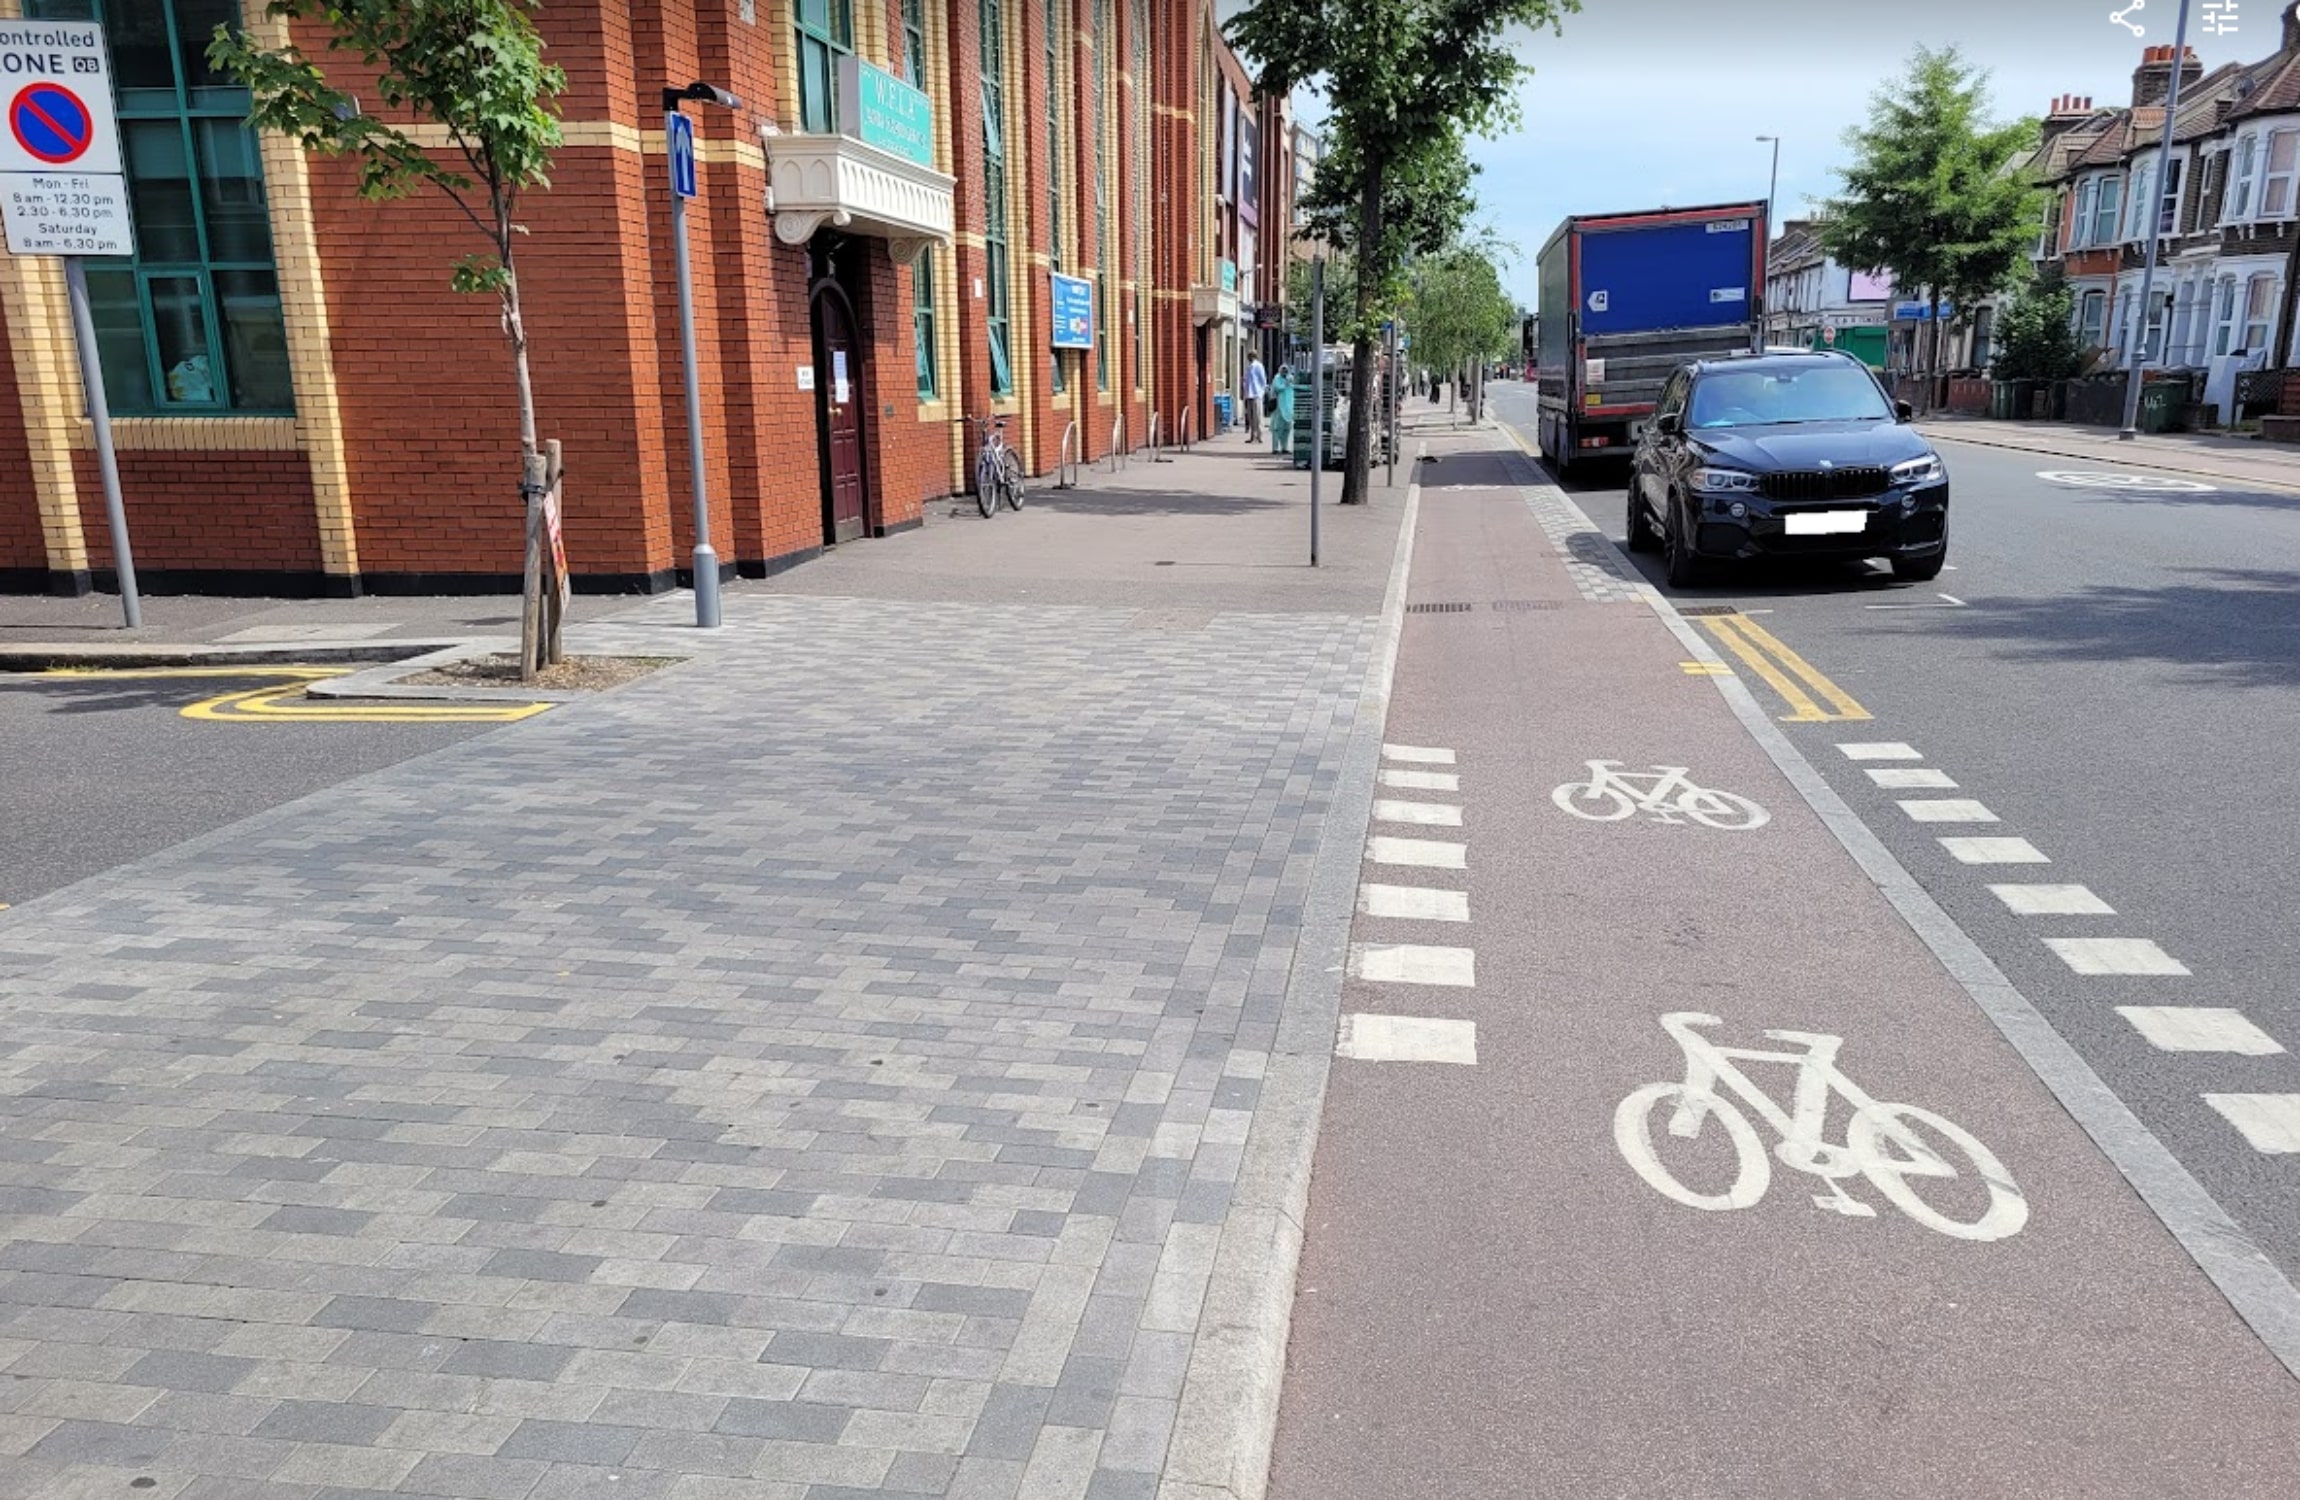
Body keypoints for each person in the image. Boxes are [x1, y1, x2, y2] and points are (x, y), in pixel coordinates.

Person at [1242, 352, 1268, 444]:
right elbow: (1246, 380)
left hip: (1257, 394)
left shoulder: (1258, 366)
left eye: (1249, 356)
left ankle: (1259, 436)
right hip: (1249, 394)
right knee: (1251, 416)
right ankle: (1252, 436)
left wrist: (1262, 391)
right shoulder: (1249, 367)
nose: (1248, 358)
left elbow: (1263, 380)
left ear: (1253, 356)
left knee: (1258, 416)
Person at [1270, 363, 1295, 457]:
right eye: (1283, 370)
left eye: (1286, 370)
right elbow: (1277, 388)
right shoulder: (1277, 378)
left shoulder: (1290, 378)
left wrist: (1290, 382)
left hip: (1288, 407)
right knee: (1276, 428)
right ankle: (1275, 448)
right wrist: (1285, 383)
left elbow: (1293, 388)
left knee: (1287, 429)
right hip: (1278, 408)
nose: (1285, 372)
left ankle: (1285, 447)